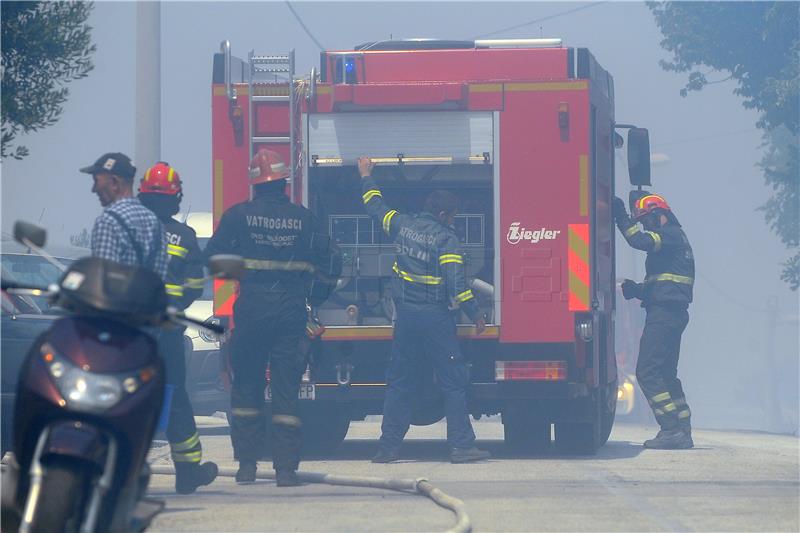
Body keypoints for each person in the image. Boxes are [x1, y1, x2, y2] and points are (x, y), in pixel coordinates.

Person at [204, 148, 340, 486]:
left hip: (250, 310)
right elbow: (332, 263)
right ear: (282, 182)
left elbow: (212, 258)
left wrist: (240, 273)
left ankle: (247, 467)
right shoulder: (305, 219)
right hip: (291, 311)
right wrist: (315, 299)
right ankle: (285, 470)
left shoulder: (237, 216)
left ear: (255, 183)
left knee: (247, 387)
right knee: (285, 391)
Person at [357, 157, 491, 464]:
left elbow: (375, 207)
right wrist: (475, 314)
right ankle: (461, 446)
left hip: (405, 318)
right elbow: (457, 283)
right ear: (444, 214)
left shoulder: (402, 225)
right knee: (453, 381)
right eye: (454, 216)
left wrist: (366, 175)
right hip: (435, 318)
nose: (455, 221)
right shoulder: (447, 239)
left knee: (400, 382)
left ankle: (388, 448)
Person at [138, 162, 218, 494]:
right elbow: (196, 286)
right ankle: (187, 471)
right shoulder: (184, 237)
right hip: (167, 332)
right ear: (175, 198)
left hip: (129, 335)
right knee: (175, 397)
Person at [613, 193, 695, 449]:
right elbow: (667, 285)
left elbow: (639, 241)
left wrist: (621, 217)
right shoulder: (676, 241)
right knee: (666, 374)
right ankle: (682, 429)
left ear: (660, 215)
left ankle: (671, 428)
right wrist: (638, 290)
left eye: (647, 220)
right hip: (671, 312)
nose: (647, 226)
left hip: (664, 315)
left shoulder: (669, 234)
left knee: (647, 372)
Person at [80, 152, 167, 279]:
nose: (94, 189)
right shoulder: (155, 222)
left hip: (117, 299)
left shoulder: (108, 222)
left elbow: (102, 280)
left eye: (96, 181)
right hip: (147, 298)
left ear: (114, 182)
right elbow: (159, 277)